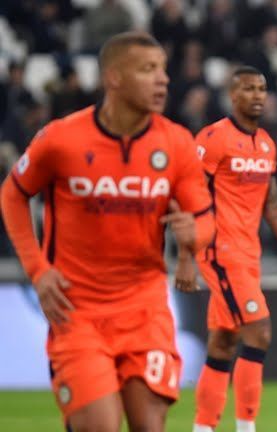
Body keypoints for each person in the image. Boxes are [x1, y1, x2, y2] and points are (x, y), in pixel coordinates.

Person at [0, 31, 215, 431]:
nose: (163, 79)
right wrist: (37, 270)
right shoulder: (61, 139)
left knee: (148, 426)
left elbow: (203, 220)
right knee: (100, 425)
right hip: (77, 311)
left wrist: (194, 238)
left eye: (164, 70)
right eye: (148, 69)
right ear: (114, 78)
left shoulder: (176, 143)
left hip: (146, 309)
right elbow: (12, 194)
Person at [179, 66, 277, 432]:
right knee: (260, 331)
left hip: (247, 251)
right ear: (232, 95)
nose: (258, 95)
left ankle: (203, 427)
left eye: (262, 88)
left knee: (223, 342)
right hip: (218, 250)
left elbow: (270, 203)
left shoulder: (267, 143)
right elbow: (187, 195)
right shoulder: (213, 138)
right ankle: (246, 427)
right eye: (249, 89)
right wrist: (184, 258)